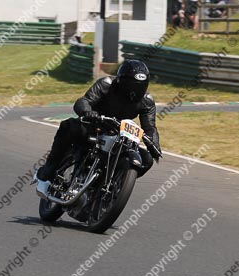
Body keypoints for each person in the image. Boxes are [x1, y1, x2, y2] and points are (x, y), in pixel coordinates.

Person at [35, 60, 161, 198]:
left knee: (147, 159)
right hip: (93, 125)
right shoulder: (106, 84)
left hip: (118, 135)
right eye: (131, 86)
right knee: (69, 126)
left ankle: (114, 186)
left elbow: (150, 127)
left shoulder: (147, 101)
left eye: (140, 87)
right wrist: (87, 112)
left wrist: (154, 145)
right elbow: (84, 101)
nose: (134, 91)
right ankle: (47, 170)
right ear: (120, 81)